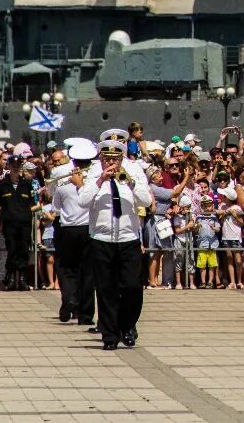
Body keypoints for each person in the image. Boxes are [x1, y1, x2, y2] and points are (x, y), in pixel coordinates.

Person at [76, 131, 151, 351]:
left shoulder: (134, 170)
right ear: (101, 158)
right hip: (102, 238)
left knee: (132, 287)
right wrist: (100, 180)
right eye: (107, 158)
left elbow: (146, 201)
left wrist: (130, 182)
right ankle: (109, 335)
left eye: (115, 159)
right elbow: (83, 201)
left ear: (122, 158)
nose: (111, 163)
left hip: (128, 238)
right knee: (106, 288)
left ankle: (127, 324)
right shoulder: (93, 174)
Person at [53, 139, 97, 326]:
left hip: (68, 230)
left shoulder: (63, 182)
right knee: (88, 272)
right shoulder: (96, 182)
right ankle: (85, 315)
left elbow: (56, 207)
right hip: (89, 230)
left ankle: (70, 298)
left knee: (66, 268)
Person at [0, 155, 36, 291]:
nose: (16, 168)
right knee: (12, 249)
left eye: (18, 166)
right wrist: (6, 216)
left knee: (24, 250)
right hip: (9, 224)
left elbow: (32, 204)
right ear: (9, 166)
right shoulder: (2, 185)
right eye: (13, 165)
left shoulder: (26, 184)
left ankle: (22, 279)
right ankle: (11, 279)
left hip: (24, 223)